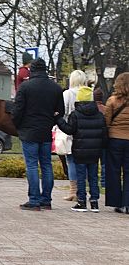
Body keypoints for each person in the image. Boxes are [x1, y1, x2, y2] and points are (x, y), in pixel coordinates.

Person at [12, 58, 64, 211]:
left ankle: (34, 200)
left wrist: (18, 125)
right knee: (47, 165)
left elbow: (17, 110)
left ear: (32, 70)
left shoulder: (25, 87)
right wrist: (50, 122)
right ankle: (46, 200)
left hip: (29, 132)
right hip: (45, 131)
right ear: (45, 70)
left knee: (32, 165)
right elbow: (59, 111)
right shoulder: (55, 88)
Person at [56, 86, 107, 212]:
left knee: (81, 176)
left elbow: (69, 130)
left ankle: (82, 202)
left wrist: (58, 120)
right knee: (93, 176)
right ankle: (94, 202)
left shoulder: (76, 114)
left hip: (79, 150)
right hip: (95, 152)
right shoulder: (100, 115)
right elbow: (104, 134)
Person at [55, 70, 87, 201]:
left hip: (69, 130)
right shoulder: (87, 93)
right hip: (85, 131)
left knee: (71, 160)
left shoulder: (67, 94)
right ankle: (82, 189)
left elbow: (63, 111)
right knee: (83, 162)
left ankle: (73, 190)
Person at [104, 72, 129, 214]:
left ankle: (117, 202)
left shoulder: (112, 101)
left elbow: (107, 121)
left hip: (115, 140)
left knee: (113, 171)